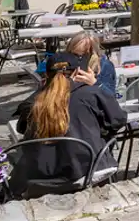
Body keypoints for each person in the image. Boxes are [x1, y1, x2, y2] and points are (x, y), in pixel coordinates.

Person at [9, 53, 127, 195]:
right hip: (87, 169)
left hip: (43, 176)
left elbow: (21, 128)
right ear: (78, 72)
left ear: (46, 75)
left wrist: (43, 90)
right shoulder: (91, 94)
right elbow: (118, 120)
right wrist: (96, 84)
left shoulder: (36, 101)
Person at [64, 31, 116, 97]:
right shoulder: (65, 65)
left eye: (85, 55)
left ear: (94, 53)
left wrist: (94, 83)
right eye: (74, 55)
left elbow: (111, 97)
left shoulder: (104, 66)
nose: (78, 60)